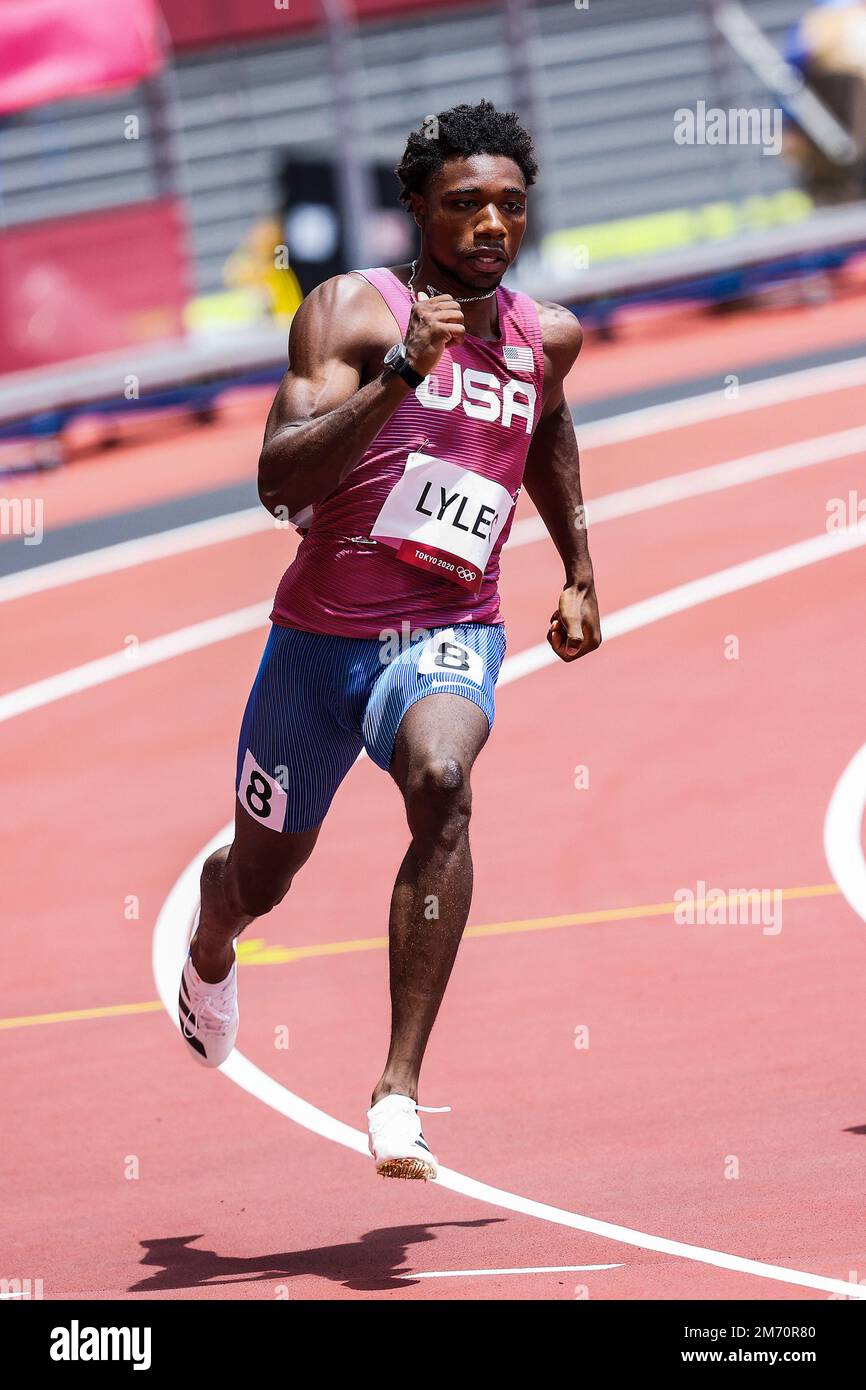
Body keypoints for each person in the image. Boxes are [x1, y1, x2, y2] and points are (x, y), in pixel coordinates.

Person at [177, 100, 601, 1180]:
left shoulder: (544, 335)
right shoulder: (348, 316)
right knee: (258, 879)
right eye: (464, 205)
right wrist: (404, 374)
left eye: (510, 205)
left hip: (450, 629)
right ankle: (209, 944)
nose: (491, 225)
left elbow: (545, 422)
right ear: (414, 207)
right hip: (316, 649)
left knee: (444, 779)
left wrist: (580, 569)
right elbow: (280, 480)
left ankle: (397, 1089)